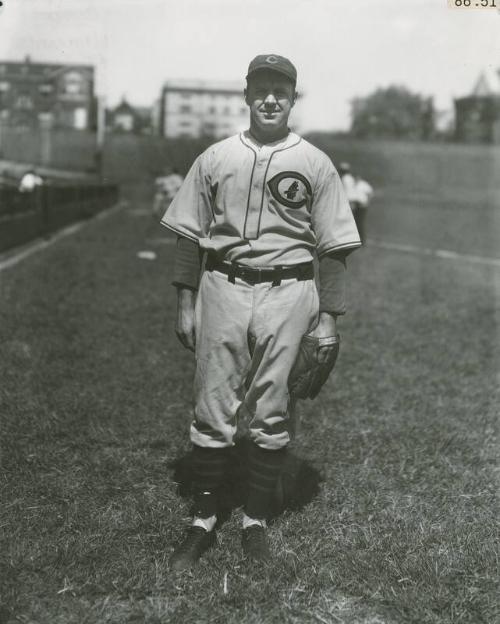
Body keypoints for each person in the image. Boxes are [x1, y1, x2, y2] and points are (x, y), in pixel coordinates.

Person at [160, 54, 361, 571]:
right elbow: (188, 232)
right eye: (261, 89)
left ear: (293, 99)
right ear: (247, 96)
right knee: (212, 404)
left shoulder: (315, 162)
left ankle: (255, 519)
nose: (270, 99)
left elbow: (334, 246)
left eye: (281, 90)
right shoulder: (216, 156)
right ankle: (203, 519)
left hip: (290, 291)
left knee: (272, 409)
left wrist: (330, 317)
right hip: (222, 284)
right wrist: (185, 301)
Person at [353, 174, 373, 244]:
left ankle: (362, 240)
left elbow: (370, 193)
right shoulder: (354, 185)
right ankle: (357, 239)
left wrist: (367, 202)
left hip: (363, 206)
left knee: (360, 223)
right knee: (356, 222)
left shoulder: (364, 184)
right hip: (356, 205)